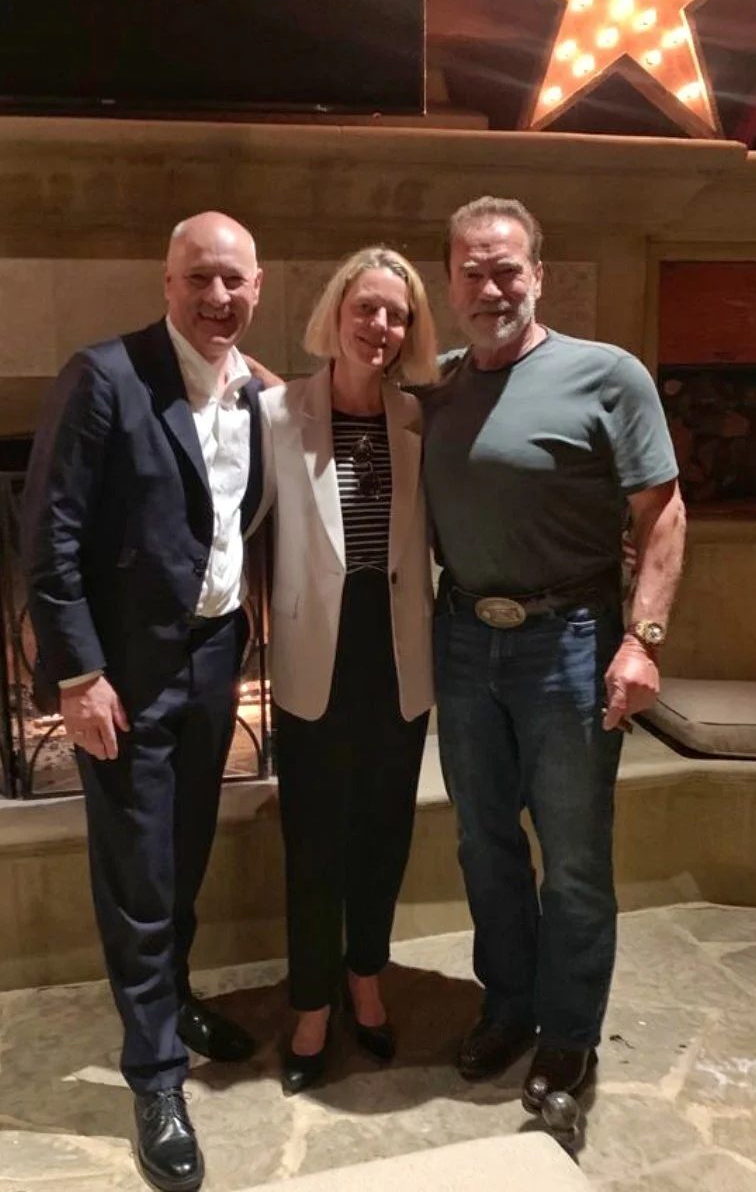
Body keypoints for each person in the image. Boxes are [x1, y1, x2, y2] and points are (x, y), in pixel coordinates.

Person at [22, 212, 279, 1192]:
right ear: (166, 280)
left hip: (216, 656)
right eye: (198, 280)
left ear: (256, 287)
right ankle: (157, 1076)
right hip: (123, 673)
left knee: (186, 853)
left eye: (233, 282)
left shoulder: (254, 391)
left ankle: (167, 1001)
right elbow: (48, 538)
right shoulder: (104, 377)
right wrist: (78, 675)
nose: (217, 298)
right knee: (138, 871)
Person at [422, 196, 686, 1110]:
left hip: (569, 645)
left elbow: (664, 513)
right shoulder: (440, 382)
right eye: (471, 270)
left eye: (507, 268)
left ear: (538, 273)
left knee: (572, 857)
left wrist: (641, 641)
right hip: (459, 639)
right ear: (448, 281)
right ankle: (509, 1006)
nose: (490, 286)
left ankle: (569, 1037)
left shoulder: (607, 375)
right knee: (482, 842)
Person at [253, 247, 439, 1094]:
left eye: (395, 314)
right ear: (334, 313)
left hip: (397, 654)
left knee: (382, 832)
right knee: (313, 838)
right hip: (311, 657)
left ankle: (366, 977)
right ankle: (311, 1002)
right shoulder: (275, 412)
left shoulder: (421, 417)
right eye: (365, 308)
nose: (379, 325)